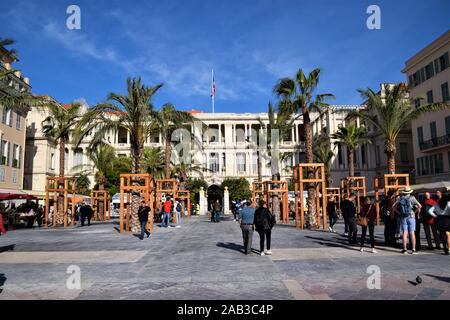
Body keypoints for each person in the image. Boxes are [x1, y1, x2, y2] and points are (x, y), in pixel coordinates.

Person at [393, 187, 421, 254]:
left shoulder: (400, 198)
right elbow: (420, 206)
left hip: (403, 217)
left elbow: (393, 207)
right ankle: (413, 249)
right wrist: (414, 212)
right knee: (412, 233)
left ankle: (404, 249)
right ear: (409, 192)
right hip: (411, 216)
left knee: (405, 233)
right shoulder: (412, 198)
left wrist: (399, 212)